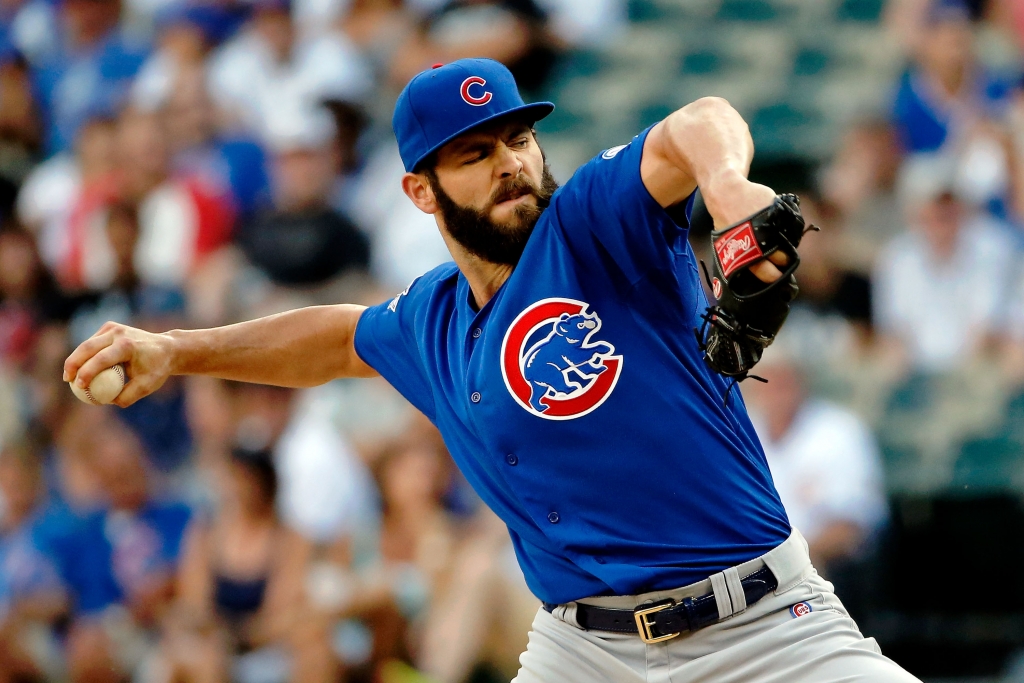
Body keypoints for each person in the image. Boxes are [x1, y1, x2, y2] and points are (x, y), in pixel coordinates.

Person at [64, 58, 918, 681]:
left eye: (517, 136)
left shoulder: (592, 230)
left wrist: (729, 191)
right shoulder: (429, 319)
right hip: (585, 653)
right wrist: (177, 350)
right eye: (473, 153)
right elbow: (332, 338)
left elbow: (698, 121)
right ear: (421, 192)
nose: (510, 160)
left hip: (764, 626)